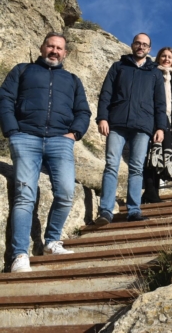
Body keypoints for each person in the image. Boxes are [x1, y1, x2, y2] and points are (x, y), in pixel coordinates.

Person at [0, 32, 91, 273]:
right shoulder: (22, 70)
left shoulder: (72, 80)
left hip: (60, 141)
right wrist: (12, 131)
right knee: (24, 196)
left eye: (59, 48)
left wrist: (75, 134)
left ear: (65, 53)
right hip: (26, 137)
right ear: (42, 48)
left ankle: (52, 241)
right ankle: (19, 255)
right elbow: (5, 99)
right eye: (50, 46)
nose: (54, 51)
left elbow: (83, 111)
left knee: (66, 192)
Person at [95, 33, 168, 225]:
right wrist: (102, 117)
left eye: (145, 44)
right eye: (138, 43)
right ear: (132, 45)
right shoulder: (118, 67)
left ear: (149, 49)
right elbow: (106, 94)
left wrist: (160, 127)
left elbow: (160, 103)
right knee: (111, 165)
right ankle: (106, 211)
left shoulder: (155, 73)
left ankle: (134, 210)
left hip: (143, 126)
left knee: (136, 168)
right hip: (116, 123)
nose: (141, 47)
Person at [141, 47, 172, 203]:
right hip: (154, 119)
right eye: (164, 56)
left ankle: (153, 193)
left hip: (171, 121)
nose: (167, 59)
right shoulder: (152, 75)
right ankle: (150, 192)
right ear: (158, 58)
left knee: (164, 156)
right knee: (153, 154)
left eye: (170, 57)